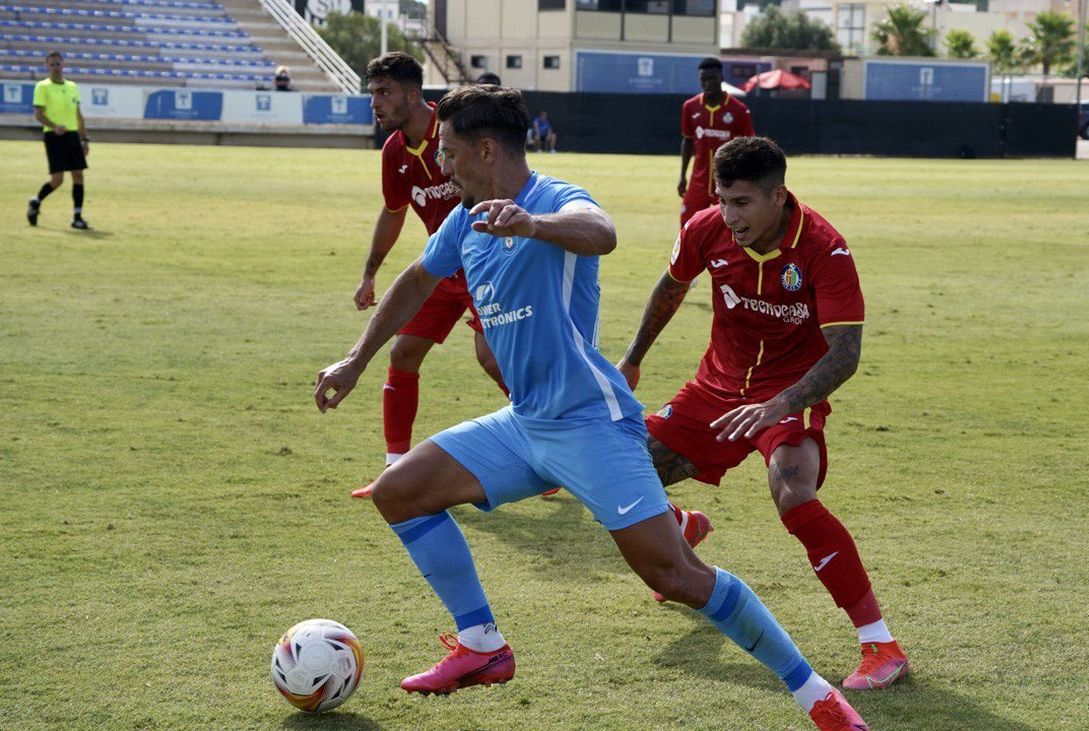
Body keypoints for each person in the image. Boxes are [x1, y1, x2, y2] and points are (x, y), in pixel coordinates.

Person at [313, 85, 869, 731]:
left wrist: (532, 225)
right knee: (400, 492)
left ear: (486, 150)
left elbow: (600, 232)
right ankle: (482, 646)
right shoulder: (463, 220)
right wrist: (356, 359)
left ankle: (817, 696)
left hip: (590, 424)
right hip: (525, 423)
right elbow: (416, 280)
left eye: (449, 151)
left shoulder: (554, 198)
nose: (441, 164)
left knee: (679, 576)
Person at [618, 136, 910, 692]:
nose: (729, 216)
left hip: (788, 392)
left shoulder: (824, 249)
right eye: (722, 200)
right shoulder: (706, 228)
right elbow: (672, 288)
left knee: (794, 494)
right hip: (715, 388)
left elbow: (846, 353)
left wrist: (780, 405)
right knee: (616, 466)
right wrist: (633, 359)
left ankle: (881, 645)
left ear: (778, 196)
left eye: (742, 203)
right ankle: (679, 525)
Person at [349, 52, 505, 499]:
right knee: (403, 353)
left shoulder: (456, 130)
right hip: (440, 267)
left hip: (486, 261)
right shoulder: (394, 150)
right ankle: (394, 469)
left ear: (413, 94)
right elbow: (394, 211)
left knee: (493, 359)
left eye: (384, 92)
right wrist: (369, 274)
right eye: (372, 93)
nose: (375, 103)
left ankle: (549, 440)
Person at [678, 57, 753, 228]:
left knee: (727, 229)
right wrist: (682, 176)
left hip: (729, 183)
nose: (707, 83)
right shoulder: (690, 107)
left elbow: (749, 149)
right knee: (688, 226)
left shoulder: (739, 110)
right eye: (703, 79)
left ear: (721, 78)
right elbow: (688, 141)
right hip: (699, 182)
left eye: (711, 78)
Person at [26, 51, 90, 230]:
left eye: (58, 63)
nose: (56, 67)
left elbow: (78, 115)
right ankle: (36, 202)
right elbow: (38, 114)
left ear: (63, 65)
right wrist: (54, 126)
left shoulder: (72, 86)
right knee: (57, 179)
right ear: (47, 66)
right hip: (54, 137)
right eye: (52, 64)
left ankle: (77, 217)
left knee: (78, 175)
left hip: (72, 136)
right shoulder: (42, 87)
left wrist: (84, 138)